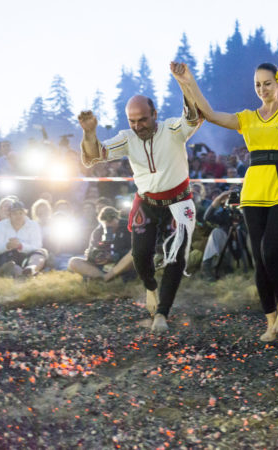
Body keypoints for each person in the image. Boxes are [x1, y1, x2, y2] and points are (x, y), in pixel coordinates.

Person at [173, 15, 278, 341]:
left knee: (271, 251)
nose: (263, 89)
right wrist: (187, 82)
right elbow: (208, 112)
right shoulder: (247, 119)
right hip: (253, 192)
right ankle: (270, 318)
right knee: (258, 258)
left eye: (268, 83)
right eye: (258, 85)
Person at [78, 87, 202, 332]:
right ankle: (150, 288)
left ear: (154, 114)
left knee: (176, 256)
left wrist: (183, 81)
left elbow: (192, 116)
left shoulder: (173, 129)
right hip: (147, 202)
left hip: (180, 202)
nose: (138, 126)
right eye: (133, 121)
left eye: (143, 119)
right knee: (139, 255)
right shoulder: (127, 137)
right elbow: (93, 156)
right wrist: (89, 132)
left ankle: (162, 314)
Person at [67, 206, 133, 282]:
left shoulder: (129, 227)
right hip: (102, 266)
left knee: (133, 254)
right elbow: (92, 252)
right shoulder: (98, 232)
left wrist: (115, 256)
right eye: (106, 224)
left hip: (123, 264)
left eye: (111, 222)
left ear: (117, 218)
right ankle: (102, 278)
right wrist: (94, 255)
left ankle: (106, 278)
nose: (109, 226)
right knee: (74, 261)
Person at [0, 201, 48, 277]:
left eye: (21, 213)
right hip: (7, 255)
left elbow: (37, 246)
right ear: (9, 215)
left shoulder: (34, 225)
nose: (18, 216)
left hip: (28, 255)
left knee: (41, 253)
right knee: (12, 265)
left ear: (25, 213)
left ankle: (31, 269)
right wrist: (7, 245)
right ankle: (19, 272)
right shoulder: (1, 225)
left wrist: (20, 246)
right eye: (14, 213)